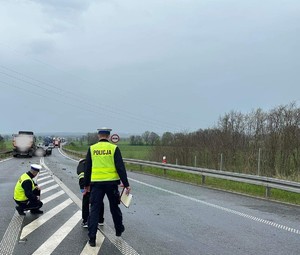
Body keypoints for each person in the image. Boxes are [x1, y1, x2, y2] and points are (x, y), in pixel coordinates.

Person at [84, 127, 131, 247]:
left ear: (99, 136)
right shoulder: (114, 148)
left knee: (94, 210)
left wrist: (86, 185)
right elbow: (120, 167)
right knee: (114, 207)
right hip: (111, 184)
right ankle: (119, 230)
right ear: (109, 136)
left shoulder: (92, 148)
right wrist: (126, 184)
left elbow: (87, 168)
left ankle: (92, 238)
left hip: (96, 184)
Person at [77, 158, 104, 227]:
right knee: (99, 201)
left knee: (86, 202)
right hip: (99, 183)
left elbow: (81, 178)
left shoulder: (81, 166)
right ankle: (100, 220)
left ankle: (85, 221)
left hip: (88, 185)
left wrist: (83, 190)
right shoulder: (94, 162)